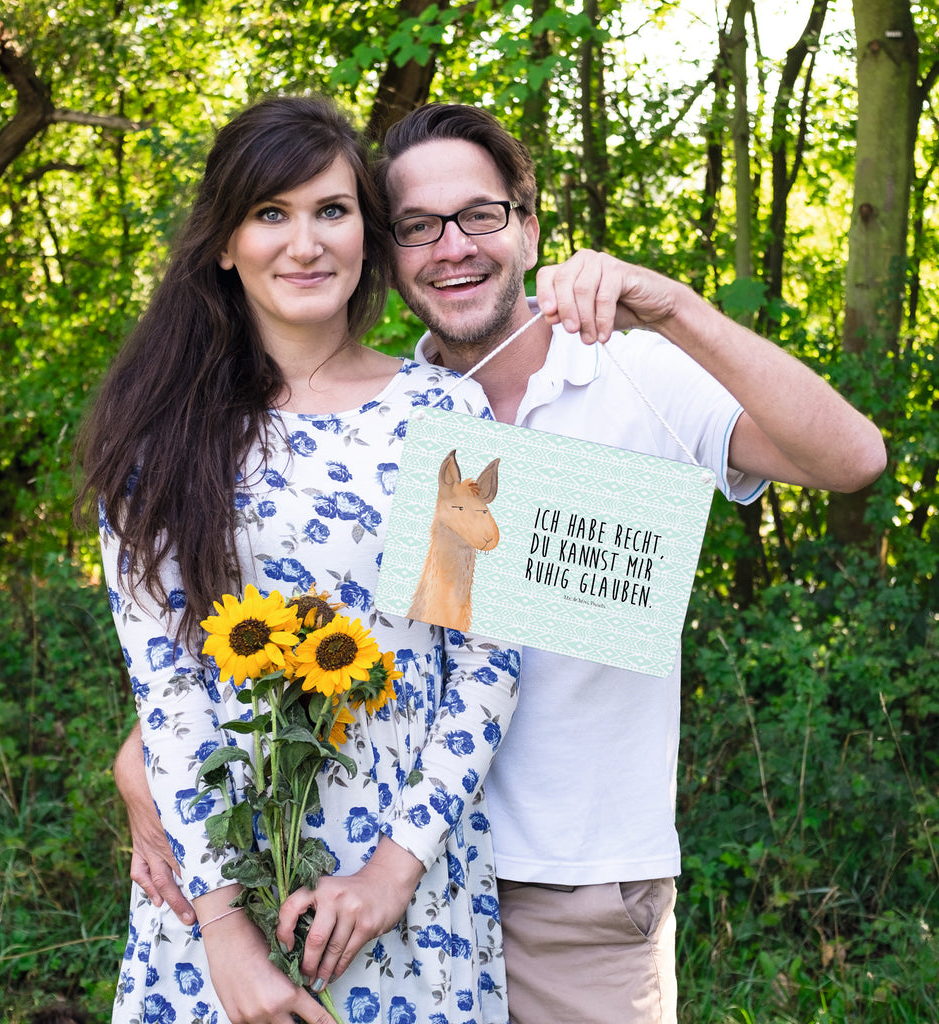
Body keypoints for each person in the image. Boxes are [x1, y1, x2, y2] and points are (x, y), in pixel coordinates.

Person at [117, 102, 887, 1024]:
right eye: (417, 226)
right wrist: (149, 771)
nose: (452, 247)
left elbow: (853, 461)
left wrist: (674, 306)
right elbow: (248, 636)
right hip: (342, 876)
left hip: (567, 887)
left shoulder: (621, 374)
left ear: (527, 225)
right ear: (389, 249)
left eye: (480, 215)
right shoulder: (368, 416)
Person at [78, 96, 522, 1024]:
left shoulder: (446, 416)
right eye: (270, 214)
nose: (305, 243)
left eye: (332, 210)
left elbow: (486, 664)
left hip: (407, 888)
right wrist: (226, 937)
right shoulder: (160, 437)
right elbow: (169, 691)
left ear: (367, 231)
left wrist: (393, 874)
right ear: (224, 244)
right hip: (216, 889)